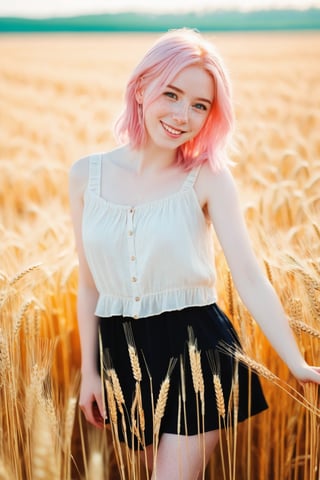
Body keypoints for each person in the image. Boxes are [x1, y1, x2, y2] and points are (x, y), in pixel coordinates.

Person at [69, 28, 320, 480]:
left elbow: (247, 273)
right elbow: (89, 286)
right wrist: (90, 372)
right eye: (172, 94)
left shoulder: (207, 179)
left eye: (200, 105)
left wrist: (296, 361)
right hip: (121, 353)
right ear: (142, 87)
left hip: (196, 350)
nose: (183, 115)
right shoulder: (86, 176)